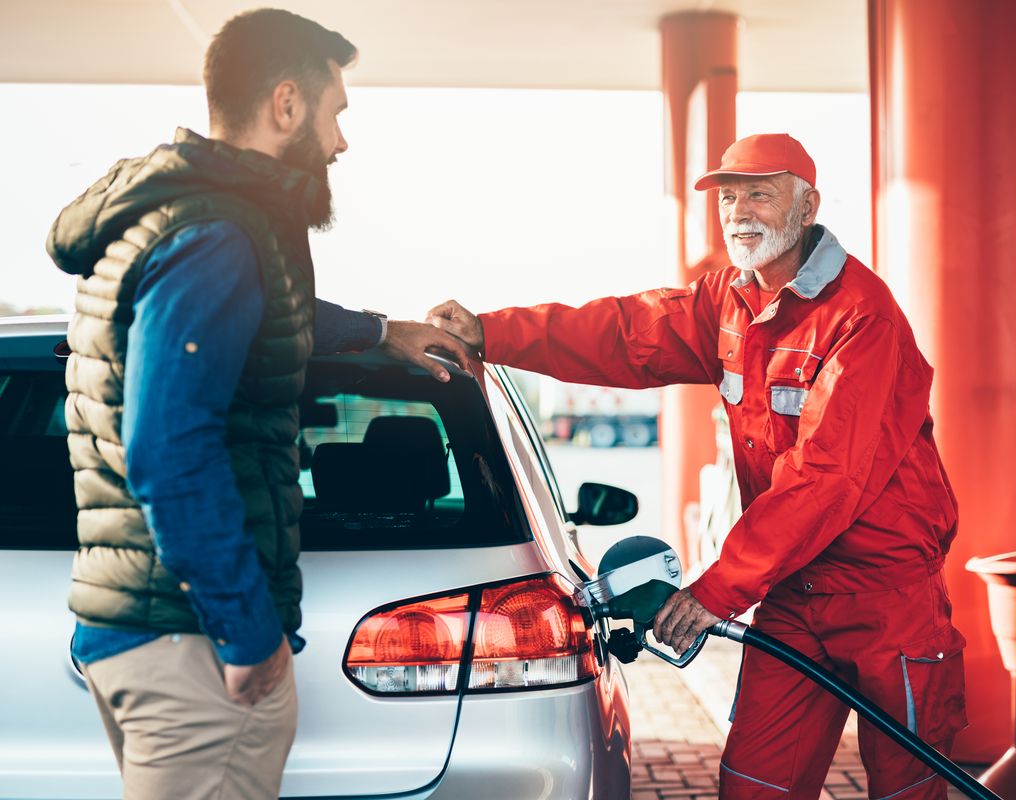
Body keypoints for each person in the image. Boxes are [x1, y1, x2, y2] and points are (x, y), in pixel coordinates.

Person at [428, 133, 968, 799]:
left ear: (807, 208)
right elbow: (627, 333)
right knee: (752, 786)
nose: (739, 211)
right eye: (729, 197)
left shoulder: (862, 318)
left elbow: (827, 478)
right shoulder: (728, 303)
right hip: (794, 593)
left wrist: (717, 590)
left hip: (887, 599)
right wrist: (493, 331)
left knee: (908, 790)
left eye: (760, 194)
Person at [45, 9, 469, 800]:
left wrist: (380, 331)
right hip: (195, 643)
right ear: (285, 105)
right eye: (335, 112)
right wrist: (248, 634)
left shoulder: (167, 218)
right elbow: (167, 447)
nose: (342, 140)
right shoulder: (216, 234)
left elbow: (267, 318)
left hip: (139, 626)